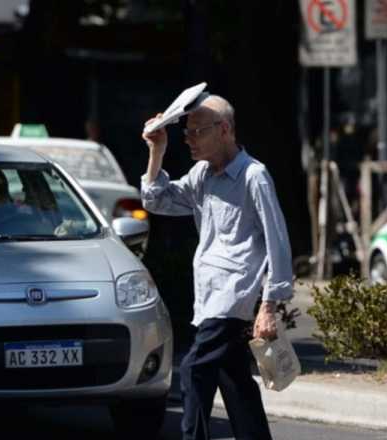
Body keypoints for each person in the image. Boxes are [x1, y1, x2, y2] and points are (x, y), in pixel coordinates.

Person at [140, 94, 294, 440]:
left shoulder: (254, 176)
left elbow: (278, 241)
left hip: (232, 297)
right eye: (187, 133)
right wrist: (156, 151)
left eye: (197, 132)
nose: (189, 139)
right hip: (208, 297)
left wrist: (270, 305)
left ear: (224, 129)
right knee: (235, 381)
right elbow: (157, 200)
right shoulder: (202, 174)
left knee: (193, 369)